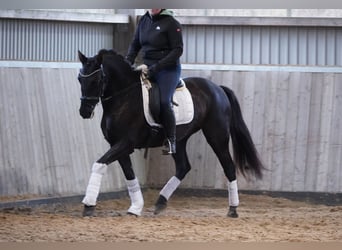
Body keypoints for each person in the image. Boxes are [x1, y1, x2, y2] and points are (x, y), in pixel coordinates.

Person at [126, 9, 183, 155]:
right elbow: (135, 44)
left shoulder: (171, 23)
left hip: (167, 70)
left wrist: (156, 67)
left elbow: (177, 50)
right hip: (147, 67)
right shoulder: (143, 21)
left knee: (164, 101)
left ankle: (171, 140)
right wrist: (127, 63)